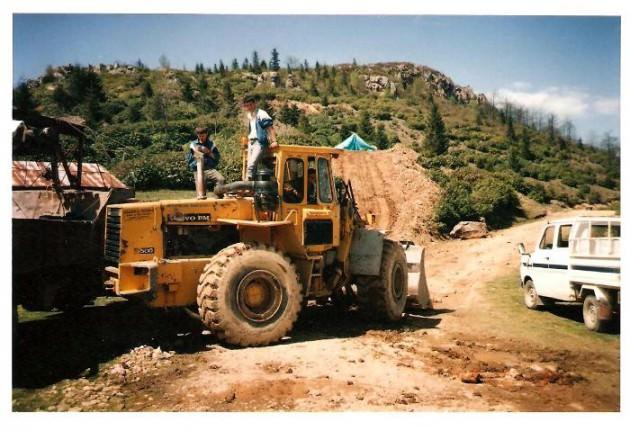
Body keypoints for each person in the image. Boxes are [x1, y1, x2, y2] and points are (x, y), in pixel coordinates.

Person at [242, 94, 278, 180]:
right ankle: (251, 187)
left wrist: (274, 141)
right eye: (247, 105)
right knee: (250, 165)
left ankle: (246, 186)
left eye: (250, 105)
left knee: (251, 164)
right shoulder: (249, 115)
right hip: (251, 142)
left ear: (255, 104)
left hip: (259, 142)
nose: (249, 107)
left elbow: (270, 128)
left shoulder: (261, 114)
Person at [185, 126, 224, 191]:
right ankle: (200, 197)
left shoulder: (211, 144)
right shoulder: (193, 144)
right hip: (197, 170)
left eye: (203, 136)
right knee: (201, 191)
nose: (201, 138)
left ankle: (218, 196)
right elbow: (190, 159)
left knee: (221, 179)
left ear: (207, 134)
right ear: (197, 135)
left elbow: (217, 157)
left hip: (209, 169)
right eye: (199, 136)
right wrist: (197, 151)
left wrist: (208, 152)